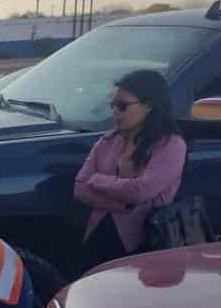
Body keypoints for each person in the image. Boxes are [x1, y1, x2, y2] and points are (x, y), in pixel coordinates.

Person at [74, 70, 187, 271]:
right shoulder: (108, 141)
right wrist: (124, 205)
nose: (115, 111)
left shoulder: (170, 145)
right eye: (113, 105)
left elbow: (140, 190)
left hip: (143, 244)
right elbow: (80, 188)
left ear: (149, 105)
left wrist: (98, 180)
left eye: (122, 106)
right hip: (97, 237)